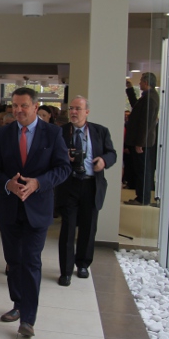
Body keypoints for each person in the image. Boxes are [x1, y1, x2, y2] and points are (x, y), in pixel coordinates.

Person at [0, 87, 70, 338]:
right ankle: (18, 304)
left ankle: (28, 319)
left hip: (38, 208)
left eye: (23, 105)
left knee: (31, 261)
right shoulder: (4, 132)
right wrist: (7, 184)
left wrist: (38, 183)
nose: (18, 110)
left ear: (35, 106)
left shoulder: (53, 133)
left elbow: (63, 168)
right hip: (9, 208)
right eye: (14, 105)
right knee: (13, 261)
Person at [55, 96, 117, 286]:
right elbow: (51, 156)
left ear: (87, 112)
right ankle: (65, 271)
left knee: (88, 228)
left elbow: (112, 154)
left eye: (78, 109)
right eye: (71, 109)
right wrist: (63, 157)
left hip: (91, 185)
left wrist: (103, 161)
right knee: (67, 228)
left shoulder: (100, 131)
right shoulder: (60, 132)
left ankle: (83, 264)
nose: (73, 112)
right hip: (69, 185)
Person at [124, 73, 160, 205]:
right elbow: (136, 105)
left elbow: (146, 122)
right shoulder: (147, 96)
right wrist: (130, 89)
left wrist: (140, 143)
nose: (139, 83)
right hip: (142, 141)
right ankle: (141, 197)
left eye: (140, 81)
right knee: (141, 170)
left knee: (142, 170)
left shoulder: (150, 98)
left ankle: (142, 198)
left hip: (143, 142)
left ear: (146, 82)